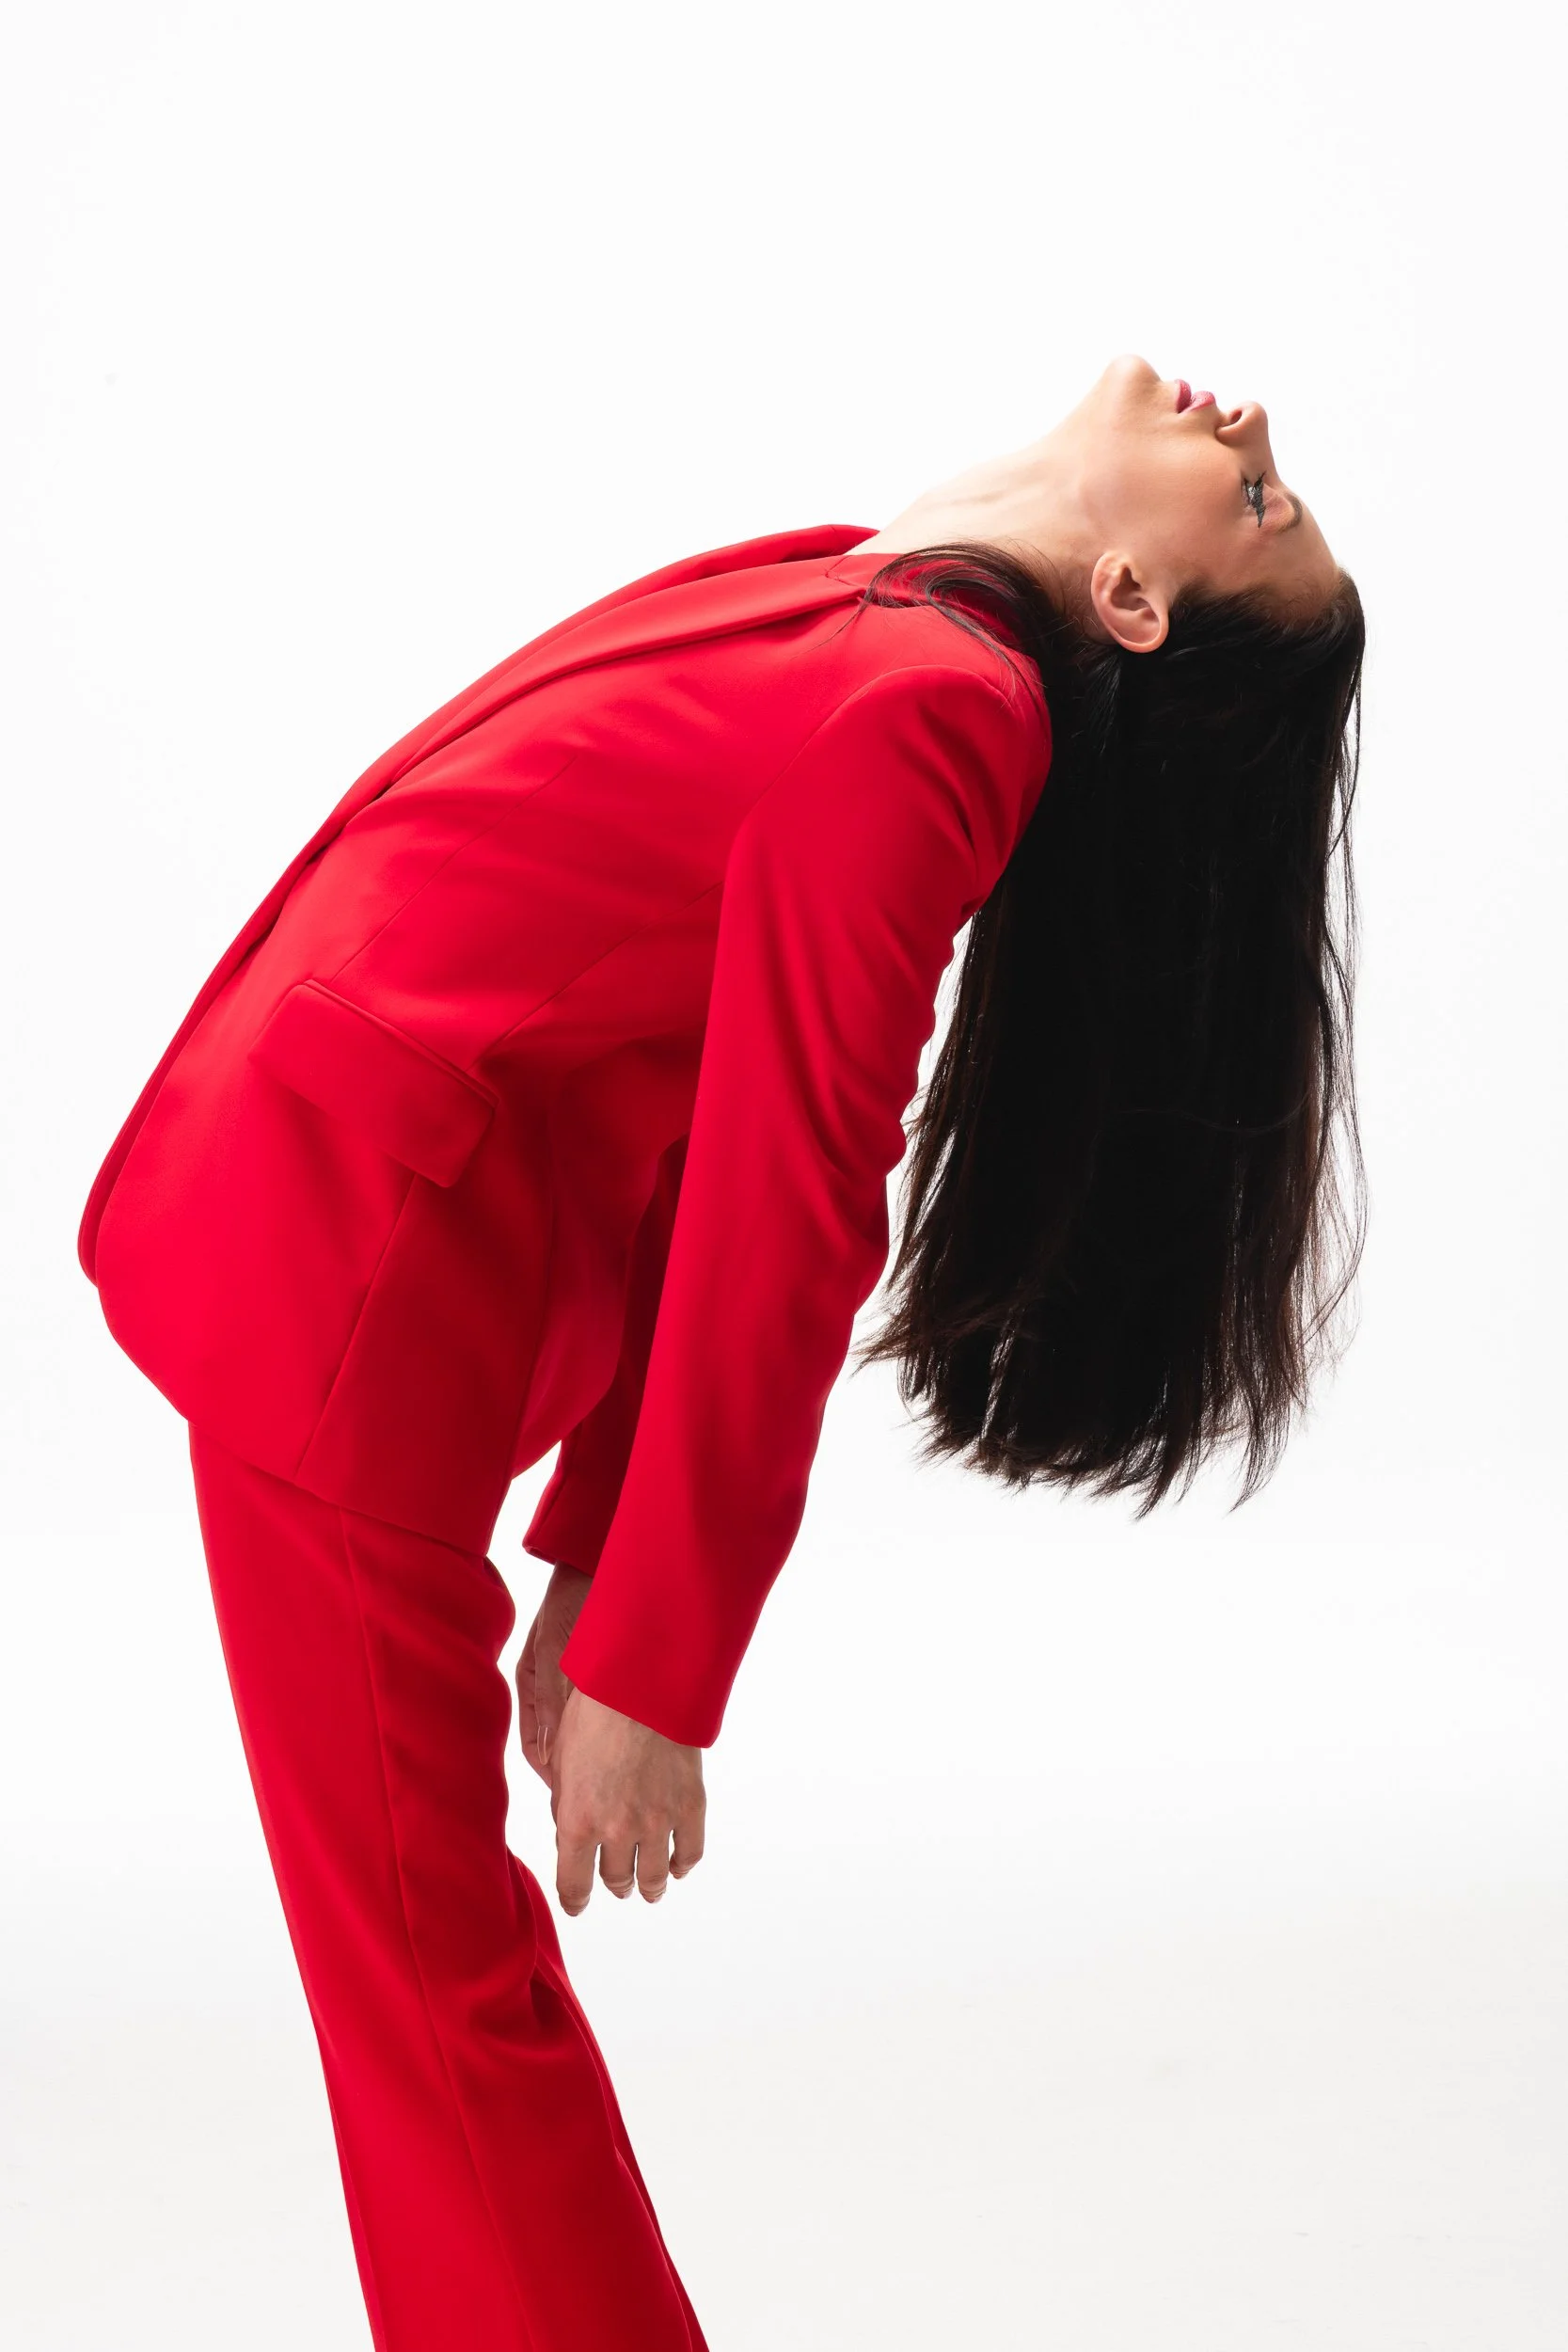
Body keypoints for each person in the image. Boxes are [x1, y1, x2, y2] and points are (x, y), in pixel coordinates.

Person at [77, 352, 1366, 2351]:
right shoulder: (867, 598)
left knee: (433, 2000)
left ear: (1129, 599)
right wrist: (595, 1544)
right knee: (431, 1989)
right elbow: (682, 1077)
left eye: (1262, 512)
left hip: (348, 1273)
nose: (1251, 433)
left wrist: (656, 1653)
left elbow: (787, 1191)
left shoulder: (929, 711)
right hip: (351, 1231)